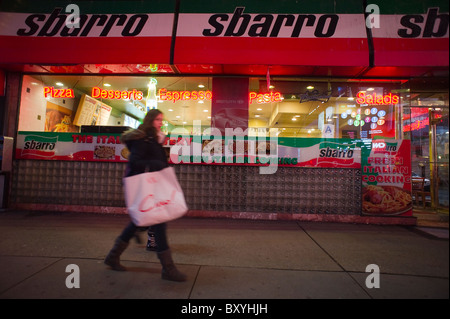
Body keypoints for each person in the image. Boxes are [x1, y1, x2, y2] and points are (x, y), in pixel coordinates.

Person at [104, 109, 187, 282]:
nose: (160, 122)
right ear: (150, 120)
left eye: (161, 120)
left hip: (151, 186)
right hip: (144, 187)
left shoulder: (152, 137)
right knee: (158, 223)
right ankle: (168, 269)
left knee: (139, 221)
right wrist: (155, 163)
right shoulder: (142, 139)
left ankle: (113, 256)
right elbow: (135, 161)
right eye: (158, 119)